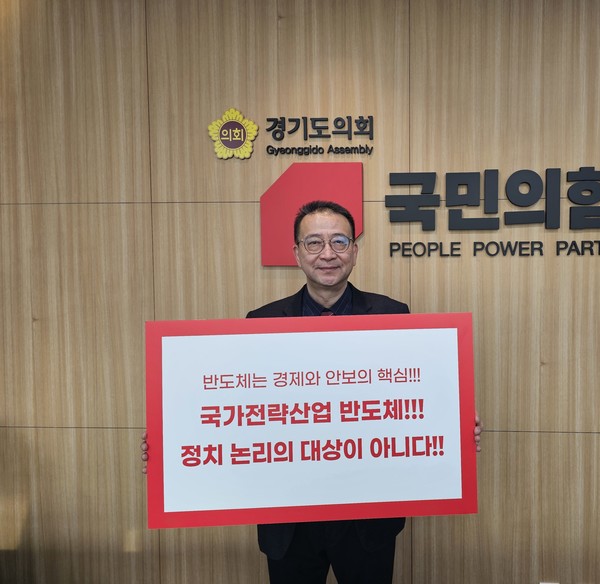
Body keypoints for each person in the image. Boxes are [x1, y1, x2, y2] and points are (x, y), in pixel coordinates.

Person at [142, 200, 482, 583]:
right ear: (297, 253)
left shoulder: (392, 315)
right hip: (289, 519)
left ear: (354, 251)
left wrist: (453, 426)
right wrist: (172, 445)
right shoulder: (261, 322)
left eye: (339, 241)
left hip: (366, 515)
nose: (328, 254)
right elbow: (237, 409)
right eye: (314, 243)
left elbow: (414, 395)